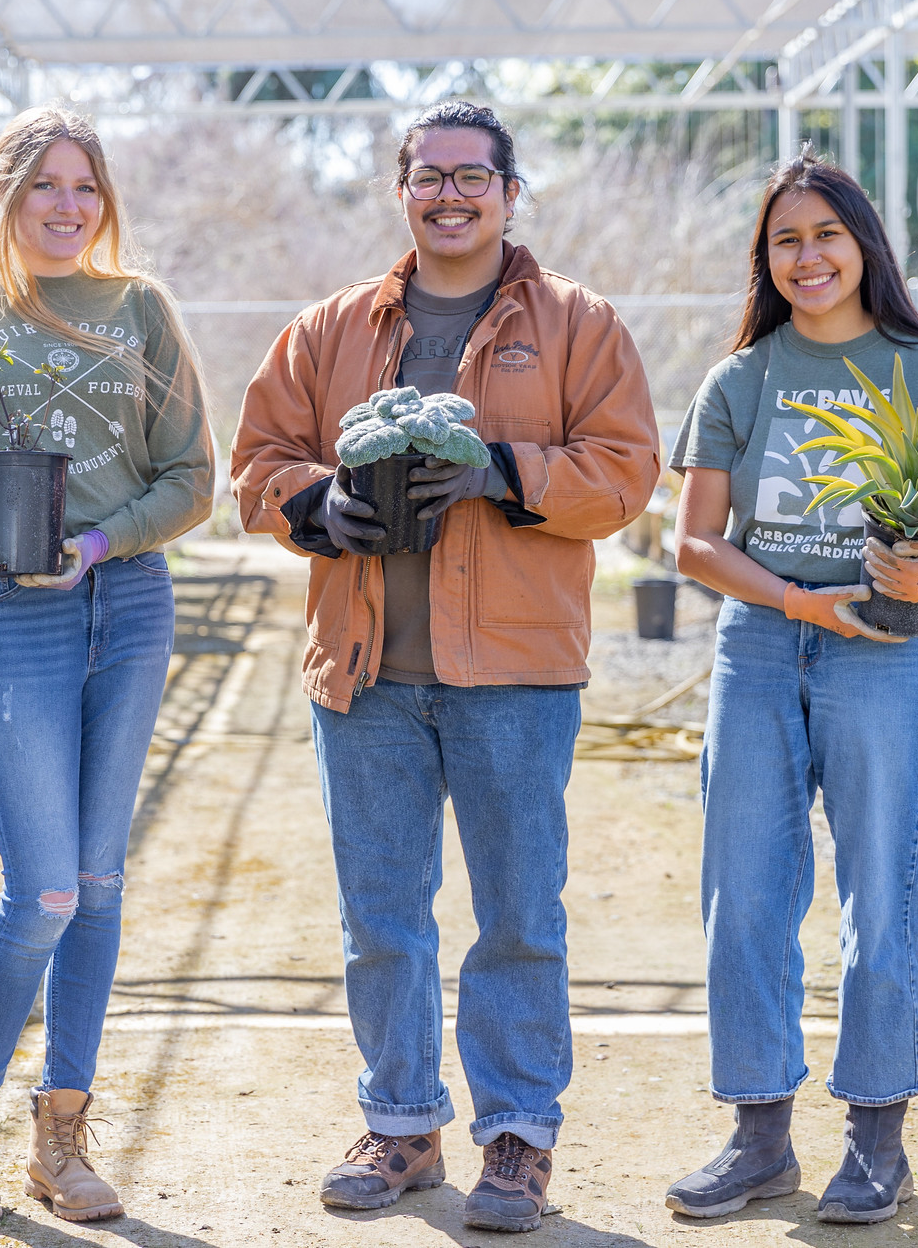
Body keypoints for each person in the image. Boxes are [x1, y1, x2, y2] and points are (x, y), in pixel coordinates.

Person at [229, 101, 658, 1234]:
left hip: (513, 673)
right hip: (364, 674)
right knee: (382, 915)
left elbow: (622, 473)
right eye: (428, 175)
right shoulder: (327, 328)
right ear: (401, 191)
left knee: (517, 912)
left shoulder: (574, 322)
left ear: (510, 194)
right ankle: (402, 1124)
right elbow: (256, 463)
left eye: (473, 176)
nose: (450, 194)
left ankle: (516, 1136)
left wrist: (499, 475)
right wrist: (317, 505)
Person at [0, 105, 214, 1225]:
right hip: (9, 615)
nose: (67, 207)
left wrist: (106, 542)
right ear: (5, 196)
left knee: (103, 884)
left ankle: (59, 1139)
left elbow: (191, 477)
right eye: (43, 188)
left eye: (85, 187)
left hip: (130, 607)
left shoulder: (141, 309)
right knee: (46, 890)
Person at [664, 151, 918, 1225]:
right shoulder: (741, 379)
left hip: (885, 656)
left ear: (862, 244)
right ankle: (757, 1135)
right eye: (784, 241)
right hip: (761, 647)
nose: (806, 257)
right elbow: (692, 545)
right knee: (746, 893)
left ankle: (874, 1135)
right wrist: (801, 603)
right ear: (764, 261)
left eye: (824, 235)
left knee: (877, 890)